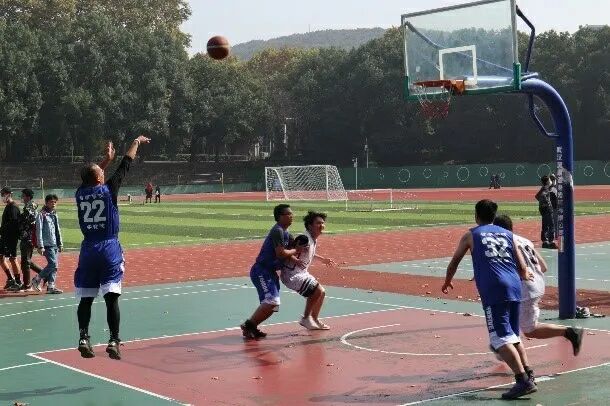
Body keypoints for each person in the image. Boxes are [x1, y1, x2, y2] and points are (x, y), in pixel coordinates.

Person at [442, 199, 537, 400]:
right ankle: (529, 373)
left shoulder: (471, 235)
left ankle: (522, 381)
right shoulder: (508, 234)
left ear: (476, 216)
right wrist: (523, 274)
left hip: (495, 288)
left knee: (499, 339)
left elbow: (454, 262)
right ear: (494, 216)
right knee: (513, 336)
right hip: (514, 286)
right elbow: (522, 266)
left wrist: (448, 280)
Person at [74, 135, 150, 360]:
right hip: (108, 248)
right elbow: (126, 163)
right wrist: (136, 142)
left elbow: (89, 178)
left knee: (86, 298)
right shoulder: (109, 191)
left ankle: (83, 337)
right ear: (100, 178)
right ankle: (114, 340)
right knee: (111, 298)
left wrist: (105, 161)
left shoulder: (79, 194)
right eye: (101, 172)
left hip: (88, 250)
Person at [492, 214, 583, 357]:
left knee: (530, 330)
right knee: (506, 313)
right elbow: (544, 266)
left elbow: (511, 269)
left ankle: (569, 332)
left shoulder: (504, 243)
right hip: (537, 284)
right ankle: (503, 347)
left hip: (526, 289)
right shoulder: (525, 241)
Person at [240, 204, 302, 339]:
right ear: (279, 217)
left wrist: (295, 258)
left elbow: (288, 251)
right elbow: (281, 253)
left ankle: (252, 327)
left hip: (270, 273)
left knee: (273, 305)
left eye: (292, 213)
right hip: (262, 271)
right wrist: (296, 251)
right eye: (288, 214)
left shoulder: (286, 233)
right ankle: (248, 326)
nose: (291, 216)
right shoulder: (277, 231)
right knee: (271, 302)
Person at [280, 211, 336, 330]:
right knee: (317, 291)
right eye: (318, 223)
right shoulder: (303, 238)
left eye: (322, 223)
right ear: (310, 226)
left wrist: (323, 260)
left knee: (321, 292)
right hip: (291, 275)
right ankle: (306, 318)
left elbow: (309, 253)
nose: (321, 225)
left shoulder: (312, 239)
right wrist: (296, 260)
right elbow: (286, 252)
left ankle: (314, 319)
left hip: (302, 273)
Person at [32, 194, 64, 294]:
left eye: (55, 202)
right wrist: (40, 245)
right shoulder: (41, 214)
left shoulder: (54, 214)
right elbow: (39, 231)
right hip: (46, 244)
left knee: (55, 265)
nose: (53, 204)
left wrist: (60, 243)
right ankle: (37, 279)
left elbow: (57, 229)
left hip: (55, 243)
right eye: (51, 202)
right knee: (53, 264)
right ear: (46, 203)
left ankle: (51, 286)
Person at [18, 188, 43, 291]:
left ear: (28, 197)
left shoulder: (30, 206)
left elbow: (29, 220)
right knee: (26, 261)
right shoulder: (28, 206)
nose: (22, 197)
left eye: (23, 195)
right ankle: (44, 273)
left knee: (26, 261)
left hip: (28, 237)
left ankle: (27, 285)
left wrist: (19, 219)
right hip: (26, 236)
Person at [1, 187, 23, 291]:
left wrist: (2, 229)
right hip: (5, 237)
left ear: (9, 194)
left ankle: (18, 282)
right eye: (1, 194)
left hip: (11, 238)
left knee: (12, 258)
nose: (2, 196)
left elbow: (14, 223)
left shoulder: (13, 207)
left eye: (3, 194)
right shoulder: (8, 206)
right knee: (1, 257)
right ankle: (10, 279)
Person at [535, 175, 557, 249]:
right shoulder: (545, 189)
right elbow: (540, 196)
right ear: (547, 181)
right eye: (549, 180)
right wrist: (546, 202)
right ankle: (551, 242)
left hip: (542, 208)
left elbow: (537, 196)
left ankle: (545, 241)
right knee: (551, 224)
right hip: (547, 208)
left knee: (545, 224)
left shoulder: (544, 188)